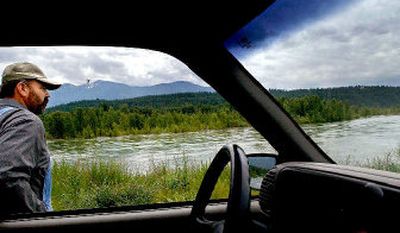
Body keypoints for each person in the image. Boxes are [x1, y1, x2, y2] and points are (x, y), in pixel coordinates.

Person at [0, 62, 61, 215]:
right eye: (43, 88)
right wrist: (44, 217)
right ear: (22, 88)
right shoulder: (26, 121)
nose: (47, 94)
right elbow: (8, 178)